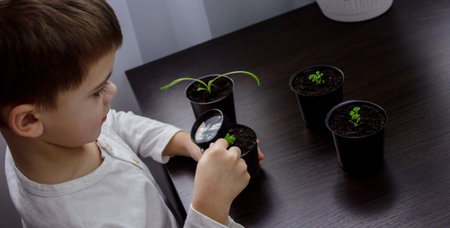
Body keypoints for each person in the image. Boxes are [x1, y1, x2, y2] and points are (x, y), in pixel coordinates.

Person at [0, 0, 264, 227]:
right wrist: (209, 208)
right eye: (96, 91)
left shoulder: (50, 140)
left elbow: (115, 124)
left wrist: (188, 143)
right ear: (29, 120)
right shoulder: (88, 220)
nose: (112, 91)